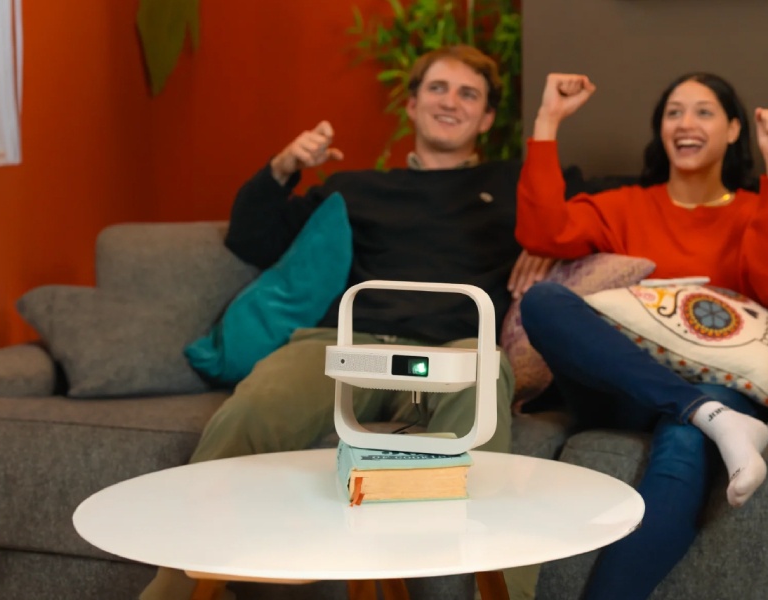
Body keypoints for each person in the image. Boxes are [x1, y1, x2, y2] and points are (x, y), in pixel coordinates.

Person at [140, 45, 552, 600]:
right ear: (412, 105)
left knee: (485, 394)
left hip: (451, 348)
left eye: (468, 94)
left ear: (485, 118)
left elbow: (602, 209)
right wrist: (284, 166)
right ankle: (174, 587)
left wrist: (554, 243)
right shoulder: (355, 187)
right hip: (347, 345)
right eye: (437, 88)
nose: (450, 101)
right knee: (252, 409)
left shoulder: (516, 187)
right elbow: (253, 239)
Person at [515, 71, 768, 599]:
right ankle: (707, 414)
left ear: (734, 129)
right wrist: (548, 119)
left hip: (720, 382)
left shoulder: (752, 212)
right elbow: (542, 232)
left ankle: (703, 414)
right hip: (621, 388)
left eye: (703, 112)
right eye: (674, 112)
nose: (685, 123)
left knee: (686, 442)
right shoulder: (625, 205)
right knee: (543, 301)